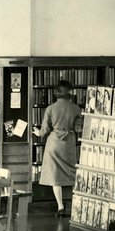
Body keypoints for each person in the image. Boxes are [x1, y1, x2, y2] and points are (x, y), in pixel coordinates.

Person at [33, 80, 82, 217]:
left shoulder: (50, 108)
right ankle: (76, 205)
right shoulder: (76, 108)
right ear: (70, 93)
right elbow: (79, 129)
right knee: (72, 173)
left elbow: (44, 131)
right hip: (69, 142)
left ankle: (60, 206)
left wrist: (38, 132)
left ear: (57, 93)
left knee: (55, 175)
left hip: (54, 143)